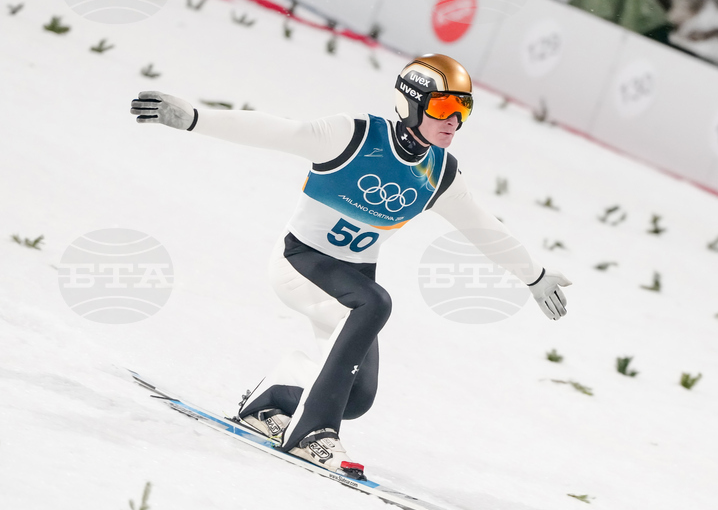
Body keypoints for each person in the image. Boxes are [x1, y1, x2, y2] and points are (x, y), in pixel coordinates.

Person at [129, 54, 571, 479]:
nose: (454, 120)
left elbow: (483, 228)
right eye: (443, 106)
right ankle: (311, 433)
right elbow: (273, 130)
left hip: (351, 289)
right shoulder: (351, 135)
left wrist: (533, 276)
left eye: (463, 109)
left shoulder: (440, 173)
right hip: (300, 265)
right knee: (376, 303)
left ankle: (271, 402)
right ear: (410, 104)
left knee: (355, 397)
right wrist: (194, 117)